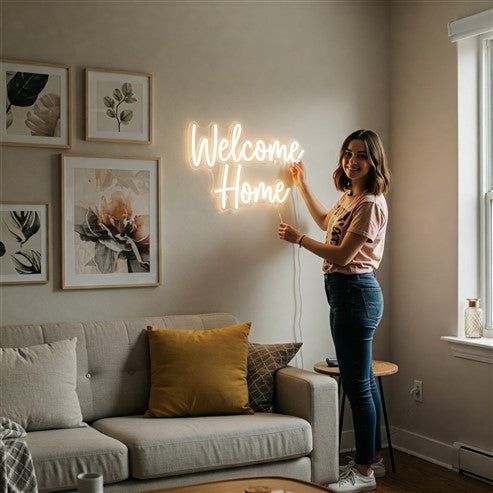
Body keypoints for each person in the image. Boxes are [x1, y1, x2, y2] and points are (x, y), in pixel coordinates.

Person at [278, 129, 391, 493]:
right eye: (347, 154)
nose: (352, 161)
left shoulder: (371, 203)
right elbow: (328, 222)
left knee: (357, 385)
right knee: (363, 381)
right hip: (343, 292)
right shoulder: (350, 196)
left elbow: (342, 254)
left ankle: (363, 473)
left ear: (374, 161)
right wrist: (301, 184)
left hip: (356, 292)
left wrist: (299, 240)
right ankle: (371, 458)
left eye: (360, 155)